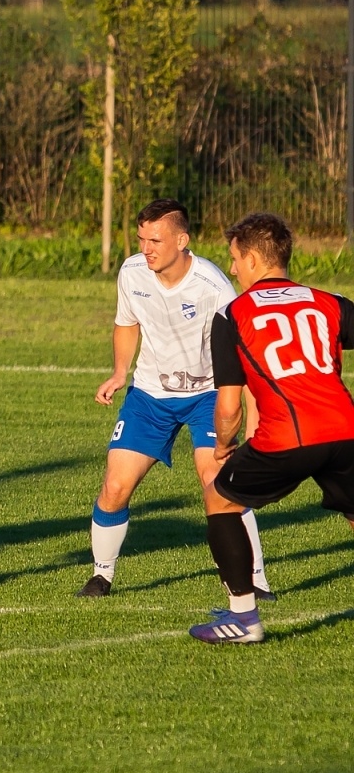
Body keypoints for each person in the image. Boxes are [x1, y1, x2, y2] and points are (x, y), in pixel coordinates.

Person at [78, 199, 272, 600]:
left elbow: (240, 354)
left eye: (155, 240)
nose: (146, 248)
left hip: (207, 395)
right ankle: (101, 576)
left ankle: (252, 580)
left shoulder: (213, 286)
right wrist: (119, 372)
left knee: (218, 484)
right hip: (150, 395)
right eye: (141, 239)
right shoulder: (132, 272)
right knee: (115, 485)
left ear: (182, 240)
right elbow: (126, 323)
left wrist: (251, 413)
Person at [193, 212, 354, 644]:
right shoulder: (329, 301)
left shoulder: (233, 313)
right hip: (345, 431)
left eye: (233, 258)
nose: (231, 269)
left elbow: (229, 407)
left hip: (287, 436)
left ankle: (244, 618)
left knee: (218, 496)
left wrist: (224, 445)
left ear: (251, 259)